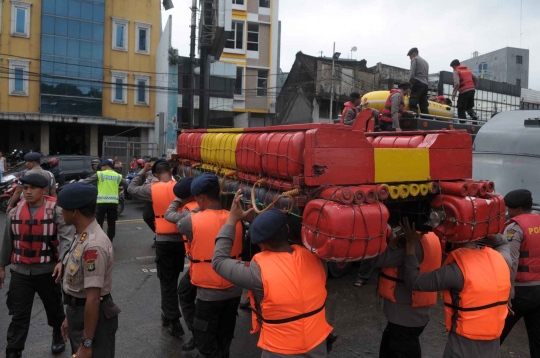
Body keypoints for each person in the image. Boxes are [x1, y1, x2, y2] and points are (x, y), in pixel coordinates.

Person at [212, 192, 335, 357]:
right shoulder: (317, 259)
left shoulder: (258, 272)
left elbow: (219, 261)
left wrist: (232, 220)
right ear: (288, 230)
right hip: (318, 346)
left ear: (261, 244)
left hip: (280, 351)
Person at [402, 219, 512, 358]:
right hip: (493, 346)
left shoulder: (455, 271)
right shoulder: (502, 259)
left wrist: (410, 245)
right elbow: (503, 243)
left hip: (463, 347)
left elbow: (413, 282)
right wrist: (488, 233)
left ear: (453, 241)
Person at [0, 174, 74, 358]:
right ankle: (13, 350)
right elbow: (7, 242)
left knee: (54, 310)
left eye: (32, 188)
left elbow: (66, 239)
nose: (28, 192)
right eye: (25, 189)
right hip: (20, 271)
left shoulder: (56, 211)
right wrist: (1, 266)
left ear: (43, 190)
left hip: (47, 270)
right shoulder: (14, 212)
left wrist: (61, 261)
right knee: (19, 314)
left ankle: (58, 336)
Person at [175, 173, 243, 358]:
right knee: (224, 338)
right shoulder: (236, 219)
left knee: (205, 343)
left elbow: (178, 223)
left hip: (208, 293)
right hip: (233, 290)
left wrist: (197, 210)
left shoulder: (190, 220)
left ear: (201, 198)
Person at [58, 183, 121, 358]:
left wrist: (86, 344)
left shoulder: (93, 245)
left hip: (95, 320)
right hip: (80, 314)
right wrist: (69, 318)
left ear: (74, 212)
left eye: (63, 209)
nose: (60, 212)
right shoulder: (81, 234)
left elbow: (93, 299)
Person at [128, 159, 187, 338]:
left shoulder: (152, 189)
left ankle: (173, 319)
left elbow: (131, 188)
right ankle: (167, 314)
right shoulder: (181, 187)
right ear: (171, 170)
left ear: (154, 174)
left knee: (167, 282)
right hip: (181, 240)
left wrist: (142, 171)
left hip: (163, 241)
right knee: (174, 278)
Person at [375, 227, 441, 358]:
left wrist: (381, 235)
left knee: (401, 348)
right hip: (417, 313)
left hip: (403, 315)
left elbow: (376, 259)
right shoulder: (431, 236)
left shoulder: (409, 244)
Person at [500, 189, 540, 357]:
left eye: (509, 209)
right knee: (537, 340)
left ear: (516, 209)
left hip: (519, 291)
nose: (508, 212)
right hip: (538, 289)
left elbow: (511, 261)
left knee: (495, 335)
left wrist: (508, 293)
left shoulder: (514, 228)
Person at [164, 178, 199, 351]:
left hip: (200, 267)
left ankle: (197, 334)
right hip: (221, 264)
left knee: (185, 293)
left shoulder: (187, 214)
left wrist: (177, 199)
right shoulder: (222, 211)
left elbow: (169, 215)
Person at [81, 160, 127, 242]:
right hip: (113, 203)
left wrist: (78, 183)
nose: (101, 168)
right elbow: (126, 185)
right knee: (111, 223)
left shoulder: (100, 174)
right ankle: (110, 240)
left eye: (102, 167)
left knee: (99, 222)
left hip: (101, 202)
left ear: (106, 166)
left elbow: (86, 181)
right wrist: (119, 188)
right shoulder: (118, 176)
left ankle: (99, 239)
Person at [407, 48, 429, 115]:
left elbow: (412, 72)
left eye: (410, 56)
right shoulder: (426, 62)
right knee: (424, 105)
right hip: (425, 85)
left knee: (413, 102)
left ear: (413, 53)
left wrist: (409, 82)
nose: (410, 58)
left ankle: (414, 118)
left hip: (418, 83)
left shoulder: (415, 59)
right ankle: (427, 119)